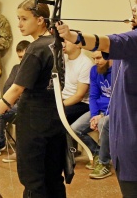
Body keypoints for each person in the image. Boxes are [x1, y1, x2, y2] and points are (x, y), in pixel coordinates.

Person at [0, 0, 67, 197]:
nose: (19, 24)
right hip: (55, 121)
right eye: (18, 18)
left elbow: (16, 90)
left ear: (40, 20)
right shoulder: (55, 44)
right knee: (53, 178)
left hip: (35, 124)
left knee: (34, 182)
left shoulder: (36, 49)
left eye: (24, 19)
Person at [56, 21, 137, 197]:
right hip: (122, 132)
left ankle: (103, 160)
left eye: (135, 12)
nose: (132, 17)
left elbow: (106, 42)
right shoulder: (127, 49)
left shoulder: (133, 40)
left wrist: (73, 37)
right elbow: (95, 96)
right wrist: (95, 115)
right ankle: (102, 157)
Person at [71, 51, 112, 178]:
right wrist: (94, 115)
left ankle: (104, 163)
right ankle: (98, 152)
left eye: (99, 58)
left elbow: (120, 99)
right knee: (75, 129)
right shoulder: (95, 70)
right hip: (99, 110)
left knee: (103, 122)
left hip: (114, 110)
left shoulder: (119, 71)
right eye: (93, 58)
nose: (96, 62)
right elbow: (93, 96)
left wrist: (103, 115)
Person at [62, 40, 93, 124]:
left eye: (66, 41)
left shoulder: (85, 63)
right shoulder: (63, 60)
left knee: (55, 115)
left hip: (81, 103)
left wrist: (59, 105)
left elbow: (79, 96)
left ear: (78, 45)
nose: (63, 43)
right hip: (65, 99)